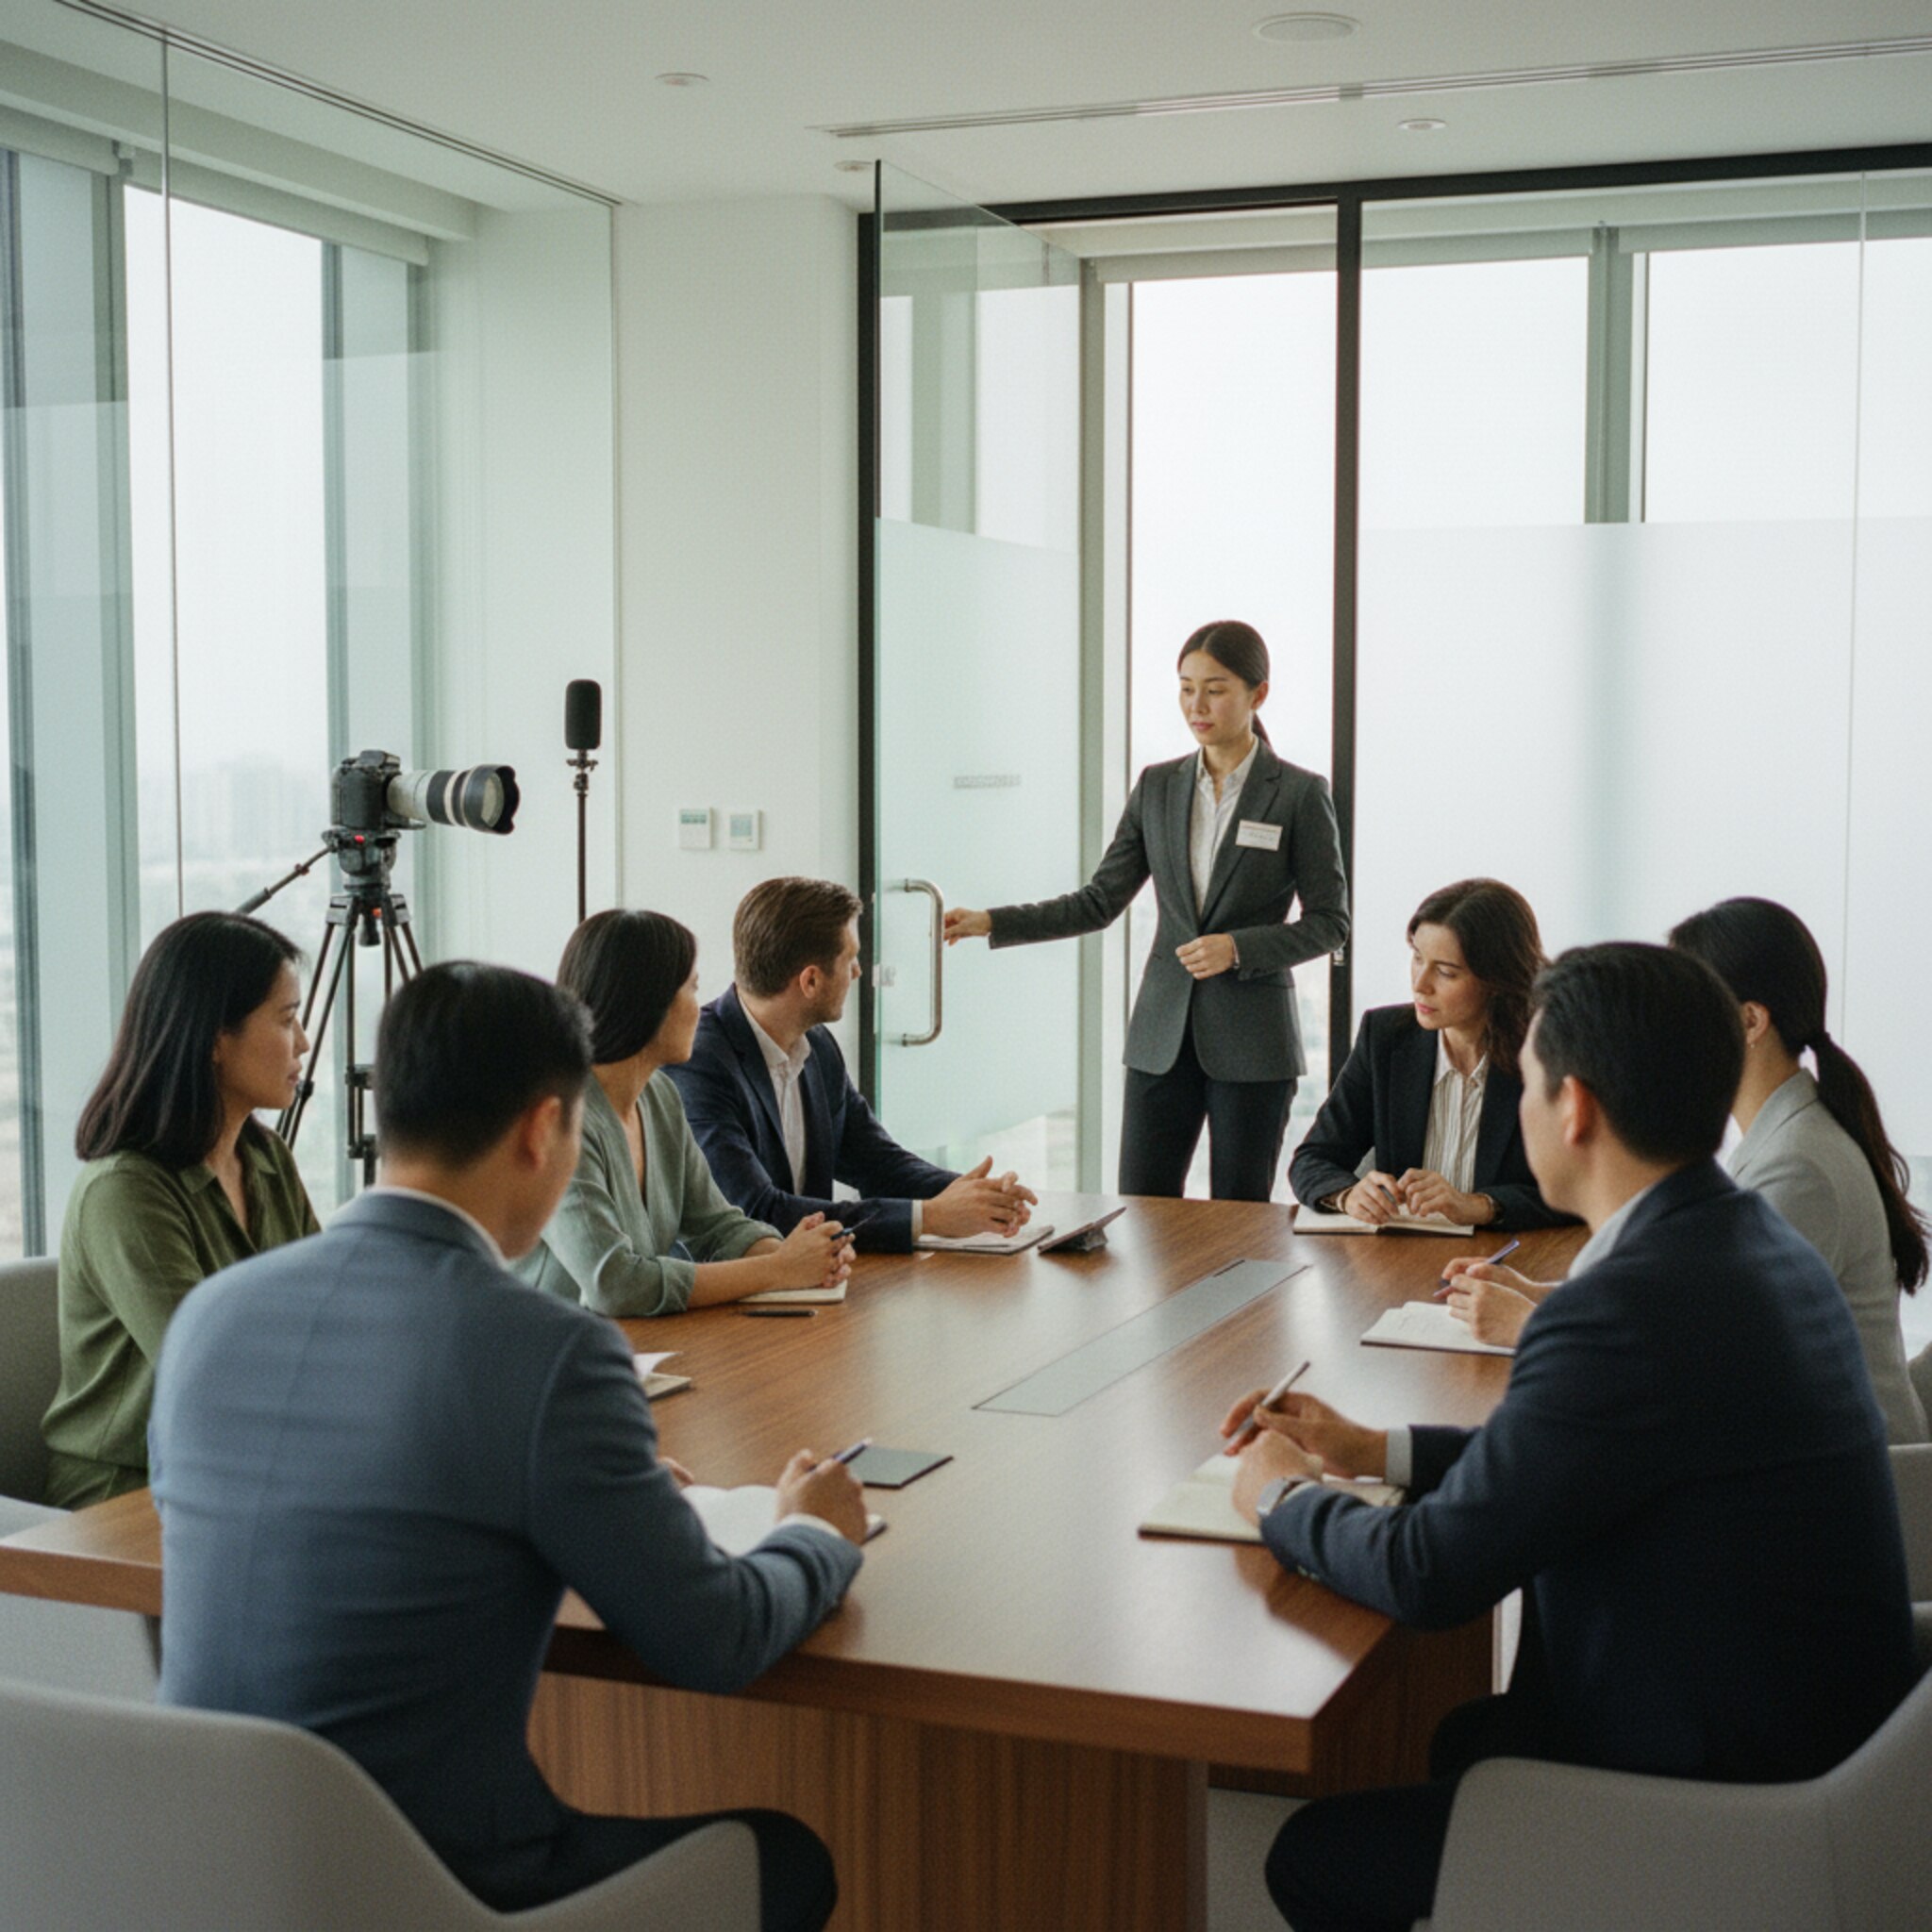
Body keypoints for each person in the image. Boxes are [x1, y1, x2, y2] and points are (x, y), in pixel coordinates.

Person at [149, 962, 866, 1930]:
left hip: (194, 1867)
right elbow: (716, 1638)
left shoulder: (210, 1315)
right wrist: (815, 1532)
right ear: (541, 1130)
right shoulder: (549, 1352)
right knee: (788, 1857)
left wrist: (581, 1494)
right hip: (431, 1890)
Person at [1220, 942, 1913, 1932]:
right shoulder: (1742, 1240)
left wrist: (1279, 1496)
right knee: (1463, 1738)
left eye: (1530, 1083)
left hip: (1724, 1802)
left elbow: (1429, 1573)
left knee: (1315, 1856)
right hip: (1820, 1738)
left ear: (1574, 1107)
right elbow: (1582, 1457)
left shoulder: (1625, 1303)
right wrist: (1376, 1450)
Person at [945, 620, 1348, 1202]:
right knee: (1141, 1207)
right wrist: (991, 921)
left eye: (1215, 689)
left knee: (1239, 1212)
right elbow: (1099, 901)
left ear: (1257, 694)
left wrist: (1238, 948)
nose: (1196, 705)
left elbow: (1330, 923)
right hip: (1161, 1038)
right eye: (1186, 688)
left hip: (1253, 1042)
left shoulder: (1299, 793)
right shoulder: (1158, 786)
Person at [41, 910, 318, 1508]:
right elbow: (209, 1374)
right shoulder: (124, 1190)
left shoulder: (265, 1158)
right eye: (286, 1019)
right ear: (216, 1039)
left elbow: (326, 1314)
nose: (303, 1042)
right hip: (123, 1493)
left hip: (242, 1469)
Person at [1671, 896, 1928, 1442]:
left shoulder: (1798, 1166)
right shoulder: (1791, 1134)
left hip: (1858, 1472)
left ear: (1749, 1021)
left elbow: (1716, 1353)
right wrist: (1542, 1303)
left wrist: (1537, 1323)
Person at [669, 877, 1037, 1253]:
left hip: (815, 1276)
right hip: (732, 1283)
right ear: (811, 980)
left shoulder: (817, 1045)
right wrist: (929, 1216)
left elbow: (876, 1162)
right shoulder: (698, 1063)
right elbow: (755, 1212)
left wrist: (976, 1196)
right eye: (851, 959)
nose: (858, 971)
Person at [519, 909, 853, 1314]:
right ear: (648, 1002)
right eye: (692, 989)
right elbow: (615, 1283)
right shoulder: (560, 1119)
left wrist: (801, 1257)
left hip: (632, 1343)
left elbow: (717, 1225)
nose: (700, 1008)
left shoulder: (660, 1095)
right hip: (546, 1346)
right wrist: (779, 1269)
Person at [1287, 879, 1570, 1231]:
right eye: (1417, 958)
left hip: (1511, 1255)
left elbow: (1576, 1187)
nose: (1420, 984)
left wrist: (1480, 1206)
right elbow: (1312, 1159)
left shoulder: (1547, 1052)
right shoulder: (1385, 1037)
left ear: (1496, 979)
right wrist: (1347, 1195)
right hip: (1401, 1255)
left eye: (1446, 972)